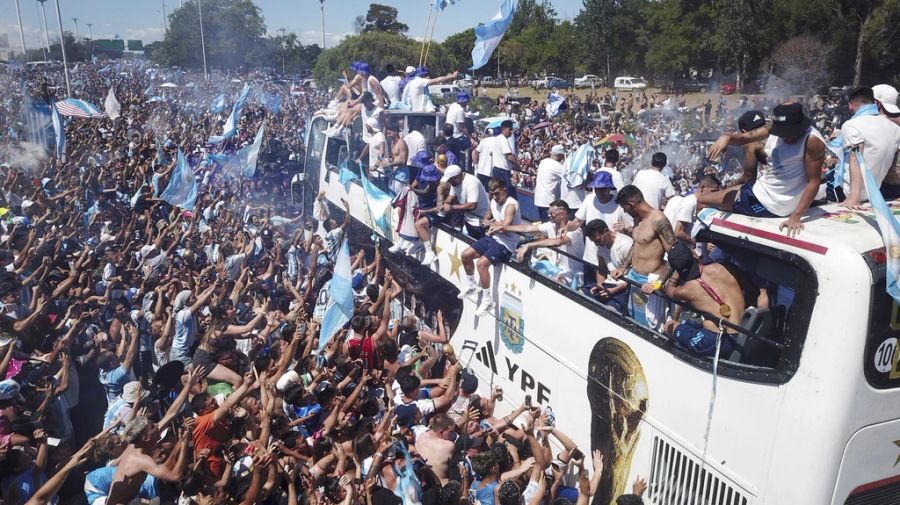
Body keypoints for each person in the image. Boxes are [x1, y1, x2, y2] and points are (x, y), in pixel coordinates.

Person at [704, 102, 827, 237]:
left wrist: (795, 217)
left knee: (701, 199)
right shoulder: (773, 127)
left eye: (791, 134)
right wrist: (727, 138)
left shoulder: (812, 141)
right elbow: (745, 137)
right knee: (725, 193)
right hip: (764, 188)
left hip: (772, 203)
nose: (787, 138)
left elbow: (813, 181)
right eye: (782, 134)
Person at [662, 243, 763, 357]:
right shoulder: (727, 267)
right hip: (741, 333)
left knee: (669, 326)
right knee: (687, 323)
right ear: (694, 255)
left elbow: (669, 290)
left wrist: (675, 278)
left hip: (717, 341)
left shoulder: (686, 289)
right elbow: (754, 291)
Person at [611, 185, 676, 330]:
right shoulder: (638, 219)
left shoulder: (659, 220)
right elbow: (637, 244)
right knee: (634, 319)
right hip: (635, 278)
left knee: (653, 326)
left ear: (631, 204)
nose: (625, 212)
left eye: (625, 208)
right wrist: (623, 268)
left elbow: (674, 255)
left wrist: (658, 283)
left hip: (652, 283)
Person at [458, 178, 521, 317]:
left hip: (507, 244)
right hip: (493, 238)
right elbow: (488, 213)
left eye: (497, 193)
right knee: (465, 255)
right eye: (492, 194)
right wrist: (486, 220)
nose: (494, 197)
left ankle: (487, 300)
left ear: (504, 189)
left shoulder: (511, 205)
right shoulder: (493, 201)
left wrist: (493, 226)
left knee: (481, 264)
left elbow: (506, 227)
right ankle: (472, 285)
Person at [831, 86, 900, 208]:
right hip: (875, 191)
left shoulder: (852, 125)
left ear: (851, 104)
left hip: (848, 192)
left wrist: (854, 198)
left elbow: (856, 159)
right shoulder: (895, 128)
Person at [490, 200, 584, 286]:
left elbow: (557, 242)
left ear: (562, 215)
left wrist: (529, 245)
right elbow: (527, 228)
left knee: (555, 284)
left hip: (571, 272)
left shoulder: (575, 230)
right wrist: (503, 227)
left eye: (552, 214)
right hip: (553, 267)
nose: (549, 216)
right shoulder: (551, 225)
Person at [567, 171, 632, 267]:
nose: (600, 193)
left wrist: (625, 229)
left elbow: (631, 229)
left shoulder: (619, 205)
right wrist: (566, 227)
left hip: (610, 260)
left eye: (603, 190)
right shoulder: (589, 199)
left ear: (609, 188)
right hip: (590, 257)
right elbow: (577, 222)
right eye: (597, 190)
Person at [584, 219, 632, 314]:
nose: (596, 244)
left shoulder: (626, 245)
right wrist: (599, 285)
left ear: (606, 231)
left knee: (609, 312)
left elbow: (635, 277)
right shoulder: (600, 245)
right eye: (593, 241)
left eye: (597, 240)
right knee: (579, 295)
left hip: (624, 288)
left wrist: (613, 290)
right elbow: (601, 270)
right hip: (607, 285)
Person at [663, 175, 721, 245]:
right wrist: (693, 243)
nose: (715, 194)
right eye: (713, 191)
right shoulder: (690, 202)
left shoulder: (699, 202)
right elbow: (678, 232)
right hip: (680, 248)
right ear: (702, 187)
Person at [442, 165, 491, 239]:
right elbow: (451, 196)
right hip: (468, 219)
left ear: (456, 177)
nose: (449, 182)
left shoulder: (471, 182)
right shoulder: (454, 183)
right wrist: (445, 203)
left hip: (479, 220)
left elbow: (472, 205)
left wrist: (452, 207)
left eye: (450, 180)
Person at [489, 120, 520, 200]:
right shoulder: (503, 140)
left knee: (500, 194)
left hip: (497, 170)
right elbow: (510, 157)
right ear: (503, 129)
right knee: (508, 195)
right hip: (502, 171)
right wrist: (518, 167)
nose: (511, 132)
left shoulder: (497, 139)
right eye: (509, 129)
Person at [533, 145, 566, 221]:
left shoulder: (543, 161)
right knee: (550, 226)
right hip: (548, 201)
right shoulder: (556, 166)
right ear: (560, 155)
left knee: (545, 225)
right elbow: (568, 175)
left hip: (539, 199)